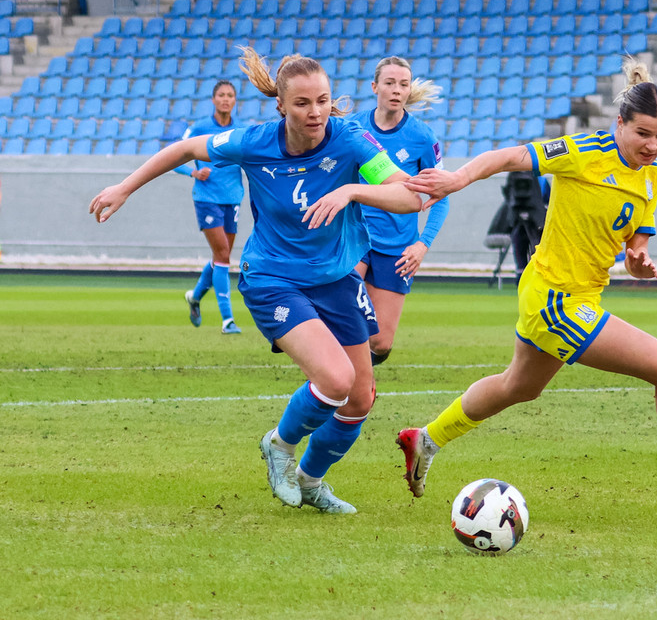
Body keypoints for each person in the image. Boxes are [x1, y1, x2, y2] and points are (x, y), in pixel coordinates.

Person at [397, 58, 657, 499]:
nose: (653, 145)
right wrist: (457, 178)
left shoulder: (651, 178)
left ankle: (426, 439)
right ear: (620, 123)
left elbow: (635, 243)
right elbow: (510, 156)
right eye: (643, 133)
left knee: (518, 386)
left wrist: (638, 261)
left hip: (578, 296)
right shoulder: (583, 151)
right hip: (554, 298)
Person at [90, 47, 423, 514]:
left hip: (336, 278)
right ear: (281, 105)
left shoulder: (350, 141)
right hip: (273, 278)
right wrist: (124, 187)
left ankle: (311, 482)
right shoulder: (254, 142)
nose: (315, 112)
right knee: (335, 379)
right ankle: (279, 446)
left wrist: (351, 189)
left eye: (323, 100)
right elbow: (185, 149)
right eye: (302, 103)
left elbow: (408, 196)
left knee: (359, 398)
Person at [349, 57, 449, 366]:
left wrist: (422, 245)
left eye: (403, 84)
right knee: (343, 312)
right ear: (374, 87)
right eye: (389, 83)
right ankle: (333, 377)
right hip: (354, 237)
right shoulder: (353, 128)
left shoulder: (422, 138)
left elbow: (441, 198)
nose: (396, 90)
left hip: (397, 246)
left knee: (380, 342)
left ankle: (355, 368)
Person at [173, 80, 244, 334]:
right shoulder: (200, 128)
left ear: (235, 100)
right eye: (221, 95)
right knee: (223, 255)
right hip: (207, 199)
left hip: (233, 199)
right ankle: (228, 320)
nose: (225, 99)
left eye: (230, 95)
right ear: (213, 100)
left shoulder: (241, 130)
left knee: (220, 257)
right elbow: (174, 156)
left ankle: (194, 297)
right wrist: (193, 173)